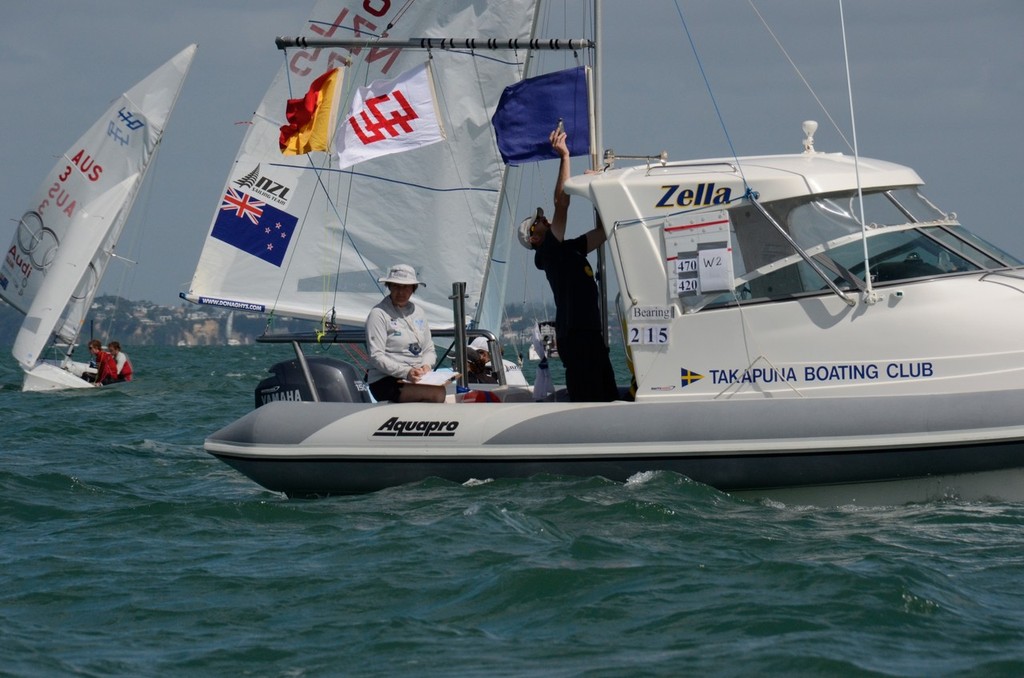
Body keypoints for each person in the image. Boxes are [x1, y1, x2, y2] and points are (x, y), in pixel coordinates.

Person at [518, 128, 619, 402]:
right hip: (575, 335)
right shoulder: (549, 252)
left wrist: (601, 187)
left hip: (590, 331)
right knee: (587, 395)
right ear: (535, 237)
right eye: (540, 221)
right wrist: (565, 156)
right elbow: (561, 203)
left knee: (606, 391)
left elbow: (604, 231)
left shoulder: (570, 248)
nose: (545, 219)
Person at [365, 264, 446, 403]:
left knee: (442, 390)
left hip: (416, 376)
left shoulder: (419, 312)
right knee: (437, 392)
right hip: (385, 379)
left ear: (413, 289)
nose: (401, 292)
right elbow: (376, 356)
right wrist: (406, 372)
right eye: (396, 286)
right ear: (389, 287)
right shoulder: (378, 314)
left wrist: (426, 366)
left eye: (406, 287)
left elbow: (428, 349)